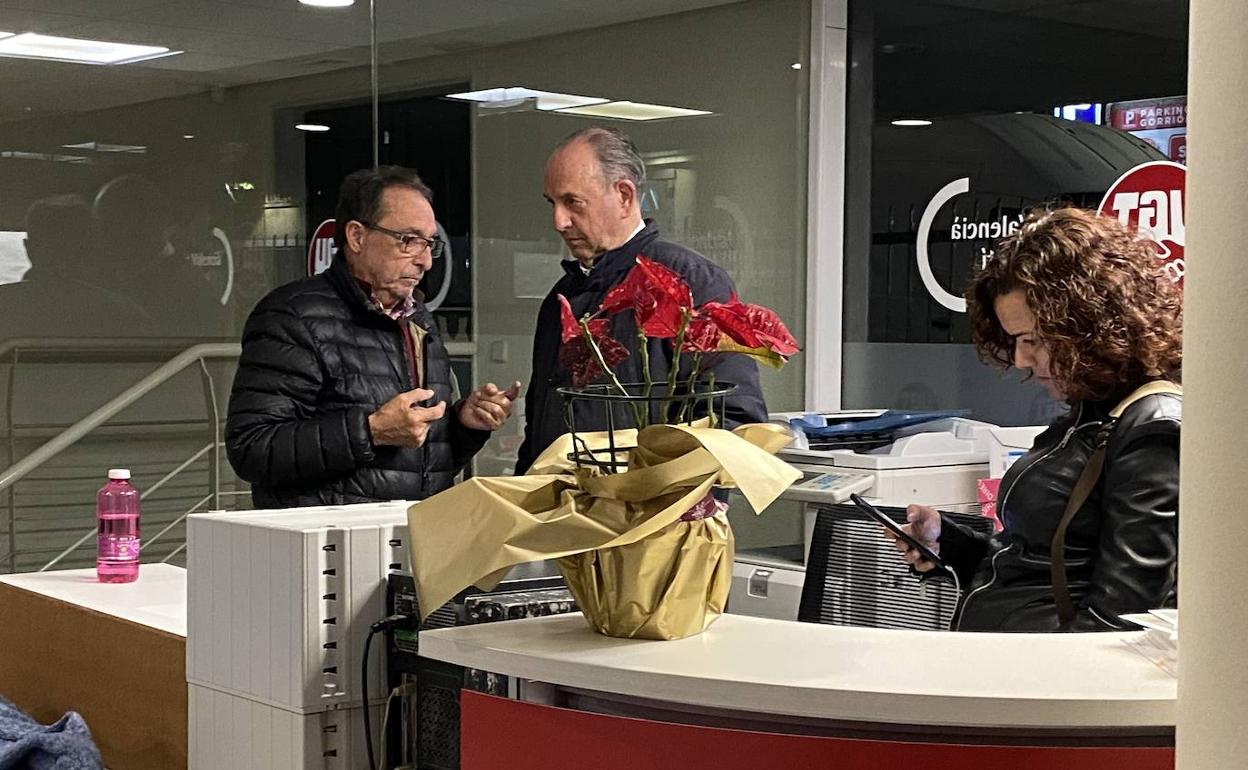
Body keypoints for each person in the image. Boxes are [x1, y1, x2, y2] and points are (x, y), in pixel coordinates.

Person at [888, 206, 1183, 632]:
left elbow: (1123, 617)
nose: (1023, 360)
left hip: (1046, 680)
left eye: (1034, 340)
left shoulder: (1149, 426)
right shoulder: (1090, 412)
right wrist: (947, 541)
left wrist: (1044, 685)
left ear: (1091, 327)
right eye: (1015, 341)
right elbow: (1035, 565)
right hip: (1015, 669)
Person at [226, 166, 520, 507]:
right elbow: (251, 448)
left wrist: (465, 425)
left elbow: (418, 465)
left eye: (430, 244)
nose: (425, 261)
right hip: (329, 545)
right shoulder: (292, 315)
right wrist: (370, 432)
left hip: (413, 539)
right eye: (409, 241)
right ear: (356, 236)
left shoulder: (419, 320)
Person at [515, 127, 767, 474]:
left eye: (572, 202)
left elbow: (733, 422)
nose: (558, 221)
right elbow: (538, 433)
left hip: (652, 520)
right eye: (552, 203)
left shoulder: (693, 283)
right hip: (558, 517)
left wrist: (653, 495)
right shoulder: (562, 299)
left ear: (623, 195)